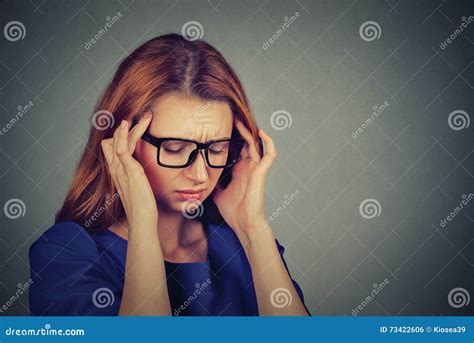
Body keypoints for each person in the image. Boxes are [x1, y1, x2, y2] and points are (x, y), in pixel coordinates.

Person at [28, 33, 310, 316]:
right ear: (123, 142)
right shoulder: (66, 252)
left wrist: (253, 229)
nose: (200, 174)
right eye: (175, 148)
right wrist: (142, 222)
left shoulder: (241, 243)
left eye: (217, 148)